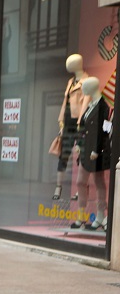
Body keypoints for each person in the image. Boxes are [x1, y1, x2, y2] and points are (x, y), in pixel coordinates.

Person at [73, 77, 110, 230]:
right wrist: (79, 144)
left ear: (93, 87)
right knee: (81, 182)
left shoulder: (103, 107)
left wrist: (96, 150)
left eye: (85, 85)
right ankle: (82, 215)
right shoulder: (90, 105)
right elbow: (85, 129)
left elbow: (103, 132)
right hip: (86, 150)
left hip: (96, 152)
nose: (83, 88)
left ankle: (101, 215)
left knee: (99, 182)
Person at [54, 54, 87, 201]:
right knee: (64, 155)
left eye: (71, 63)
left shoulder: (86, 81)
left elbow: (86, 103)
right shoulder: (70, 81)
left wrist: (81, 122)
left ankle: (82, 189)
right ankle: (58, 187)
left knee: (81, 156)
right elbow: (65, 102)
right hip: (68, 122)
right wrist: (61, 121)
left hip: (79, 122)